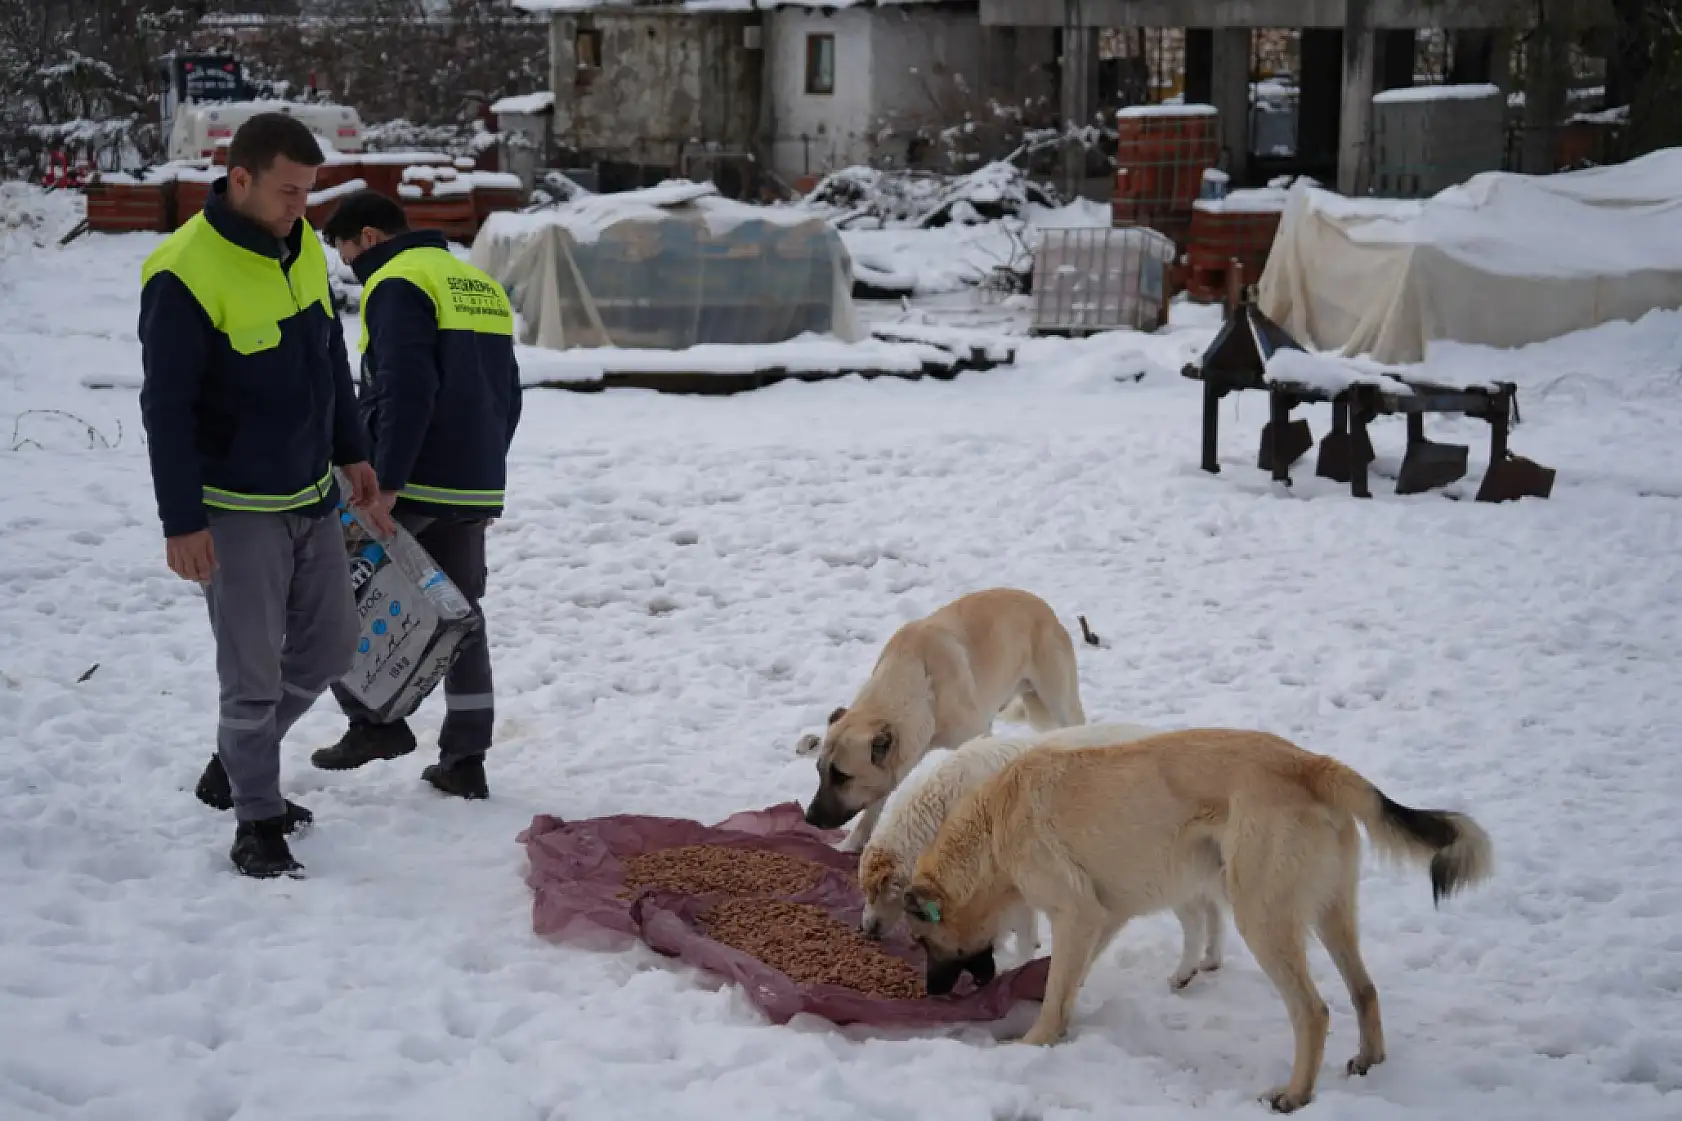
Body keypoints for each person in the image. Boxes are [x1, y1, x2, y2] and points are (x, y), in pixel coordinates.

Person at [139, 112, 392, 879]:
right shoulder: (182, 270)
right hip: (234, 505)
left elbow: (327, 359)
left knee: (330, 645)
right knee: (250, 672)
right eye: (287, 192)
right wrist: (182, 520)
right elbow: (167, 406)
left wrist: (352, 451)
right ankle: (257, 820)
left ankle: (236, 758)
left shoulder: (302, 251)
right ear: (238, 178)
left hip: (310, 492)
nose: (300, 209)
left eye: (308, 195)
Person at [312, 188, 522, 800]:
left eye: (348, 253)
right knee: (462, 621)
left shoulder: (396, 282)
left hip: (412, 482)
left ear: (370, 237)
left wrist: (386, 482)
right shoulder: (474, 282)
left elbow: (405, 387)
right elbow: (508, 392)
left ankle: (372, 723)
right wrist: (488, 465)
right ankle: (465, 759)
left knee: (332, 596)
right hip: (475, 481)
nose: (351, 267)